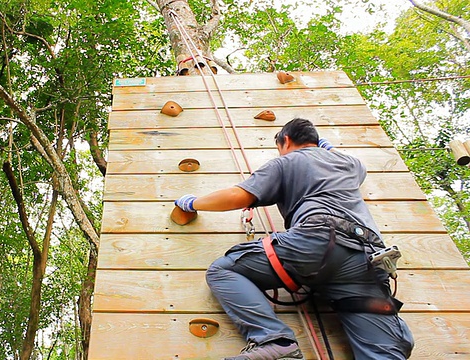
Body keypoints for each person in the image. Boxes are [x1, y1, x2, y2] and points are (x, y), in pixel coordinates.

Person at [174, 118, 414, 360]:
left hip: (318, 243)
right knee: (382, 353)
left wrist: (193, 202)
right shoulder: (350, 164)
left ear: (285, 140)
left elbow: (239, 196)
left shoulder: (286, 162)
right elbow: (353, 167)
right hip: (366, 258)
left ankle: (275, 341)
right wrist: (327, 148)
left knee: (223, 270)